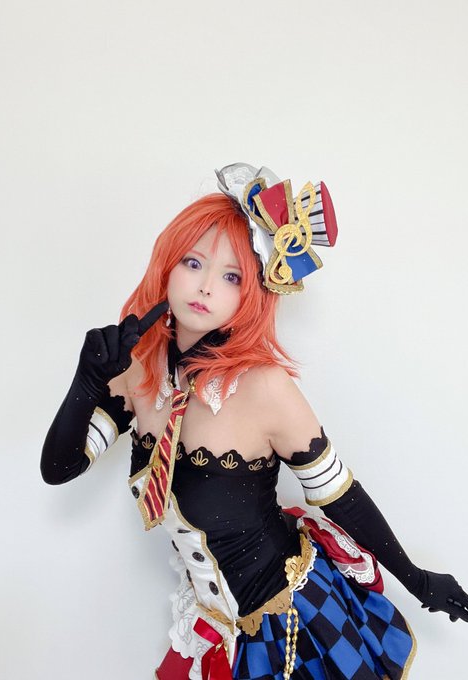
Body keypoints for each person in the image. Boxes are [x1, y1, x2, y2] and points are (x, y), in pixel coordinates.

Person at [41, 163, 468, 680]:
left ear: (252, 293)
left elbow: (341, 496)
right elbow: (59, 469)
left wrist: (417, 579)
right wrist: (86, 381)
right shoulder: (139, 372)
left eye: (232, 276)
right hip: (214, 626)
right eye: (193, 262)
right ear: (167, 266)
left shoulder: (264, 387)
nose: (205, 287)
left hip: (291, 623)